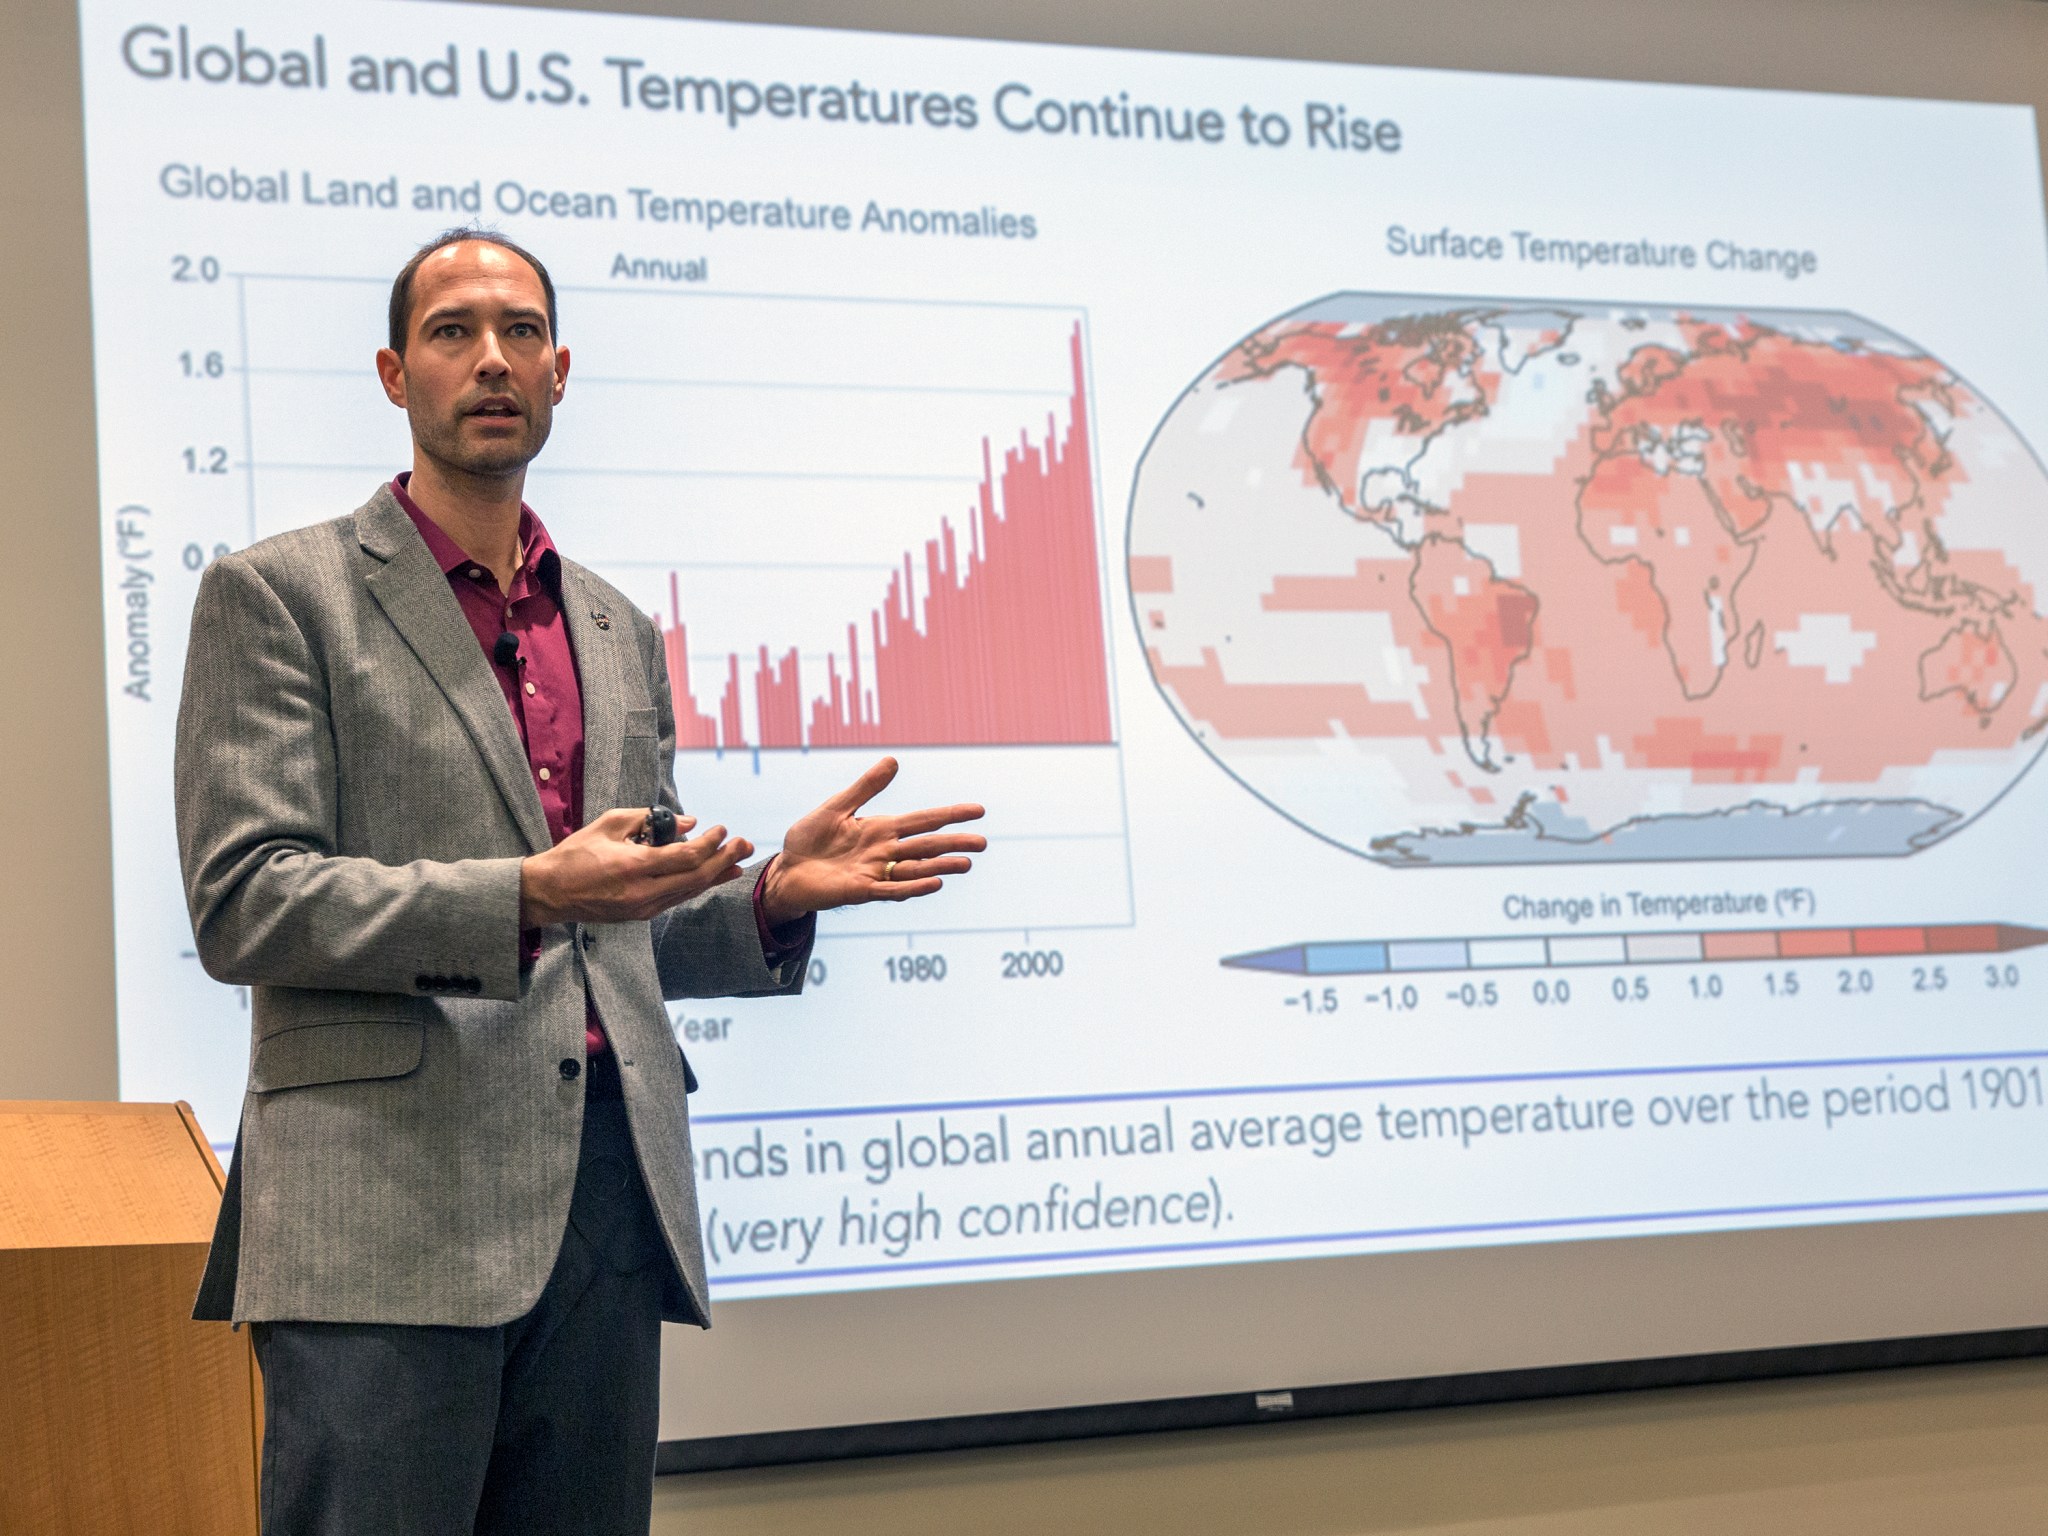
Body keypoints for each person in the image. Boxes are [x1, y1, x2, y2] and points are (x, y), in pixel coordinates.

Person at [174, 226, 987, 1534]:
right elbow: (246, 900)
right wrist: (529, 892)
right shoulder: (281, 597)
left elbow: (624, 919)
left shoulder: (613, 626)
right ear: (395, 373)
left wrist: (768, 897)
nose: (491, 359)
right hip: (386, 1211)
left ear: (561, 372)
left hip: (605, 1197)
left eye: (521, 333)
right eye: (452, 332)